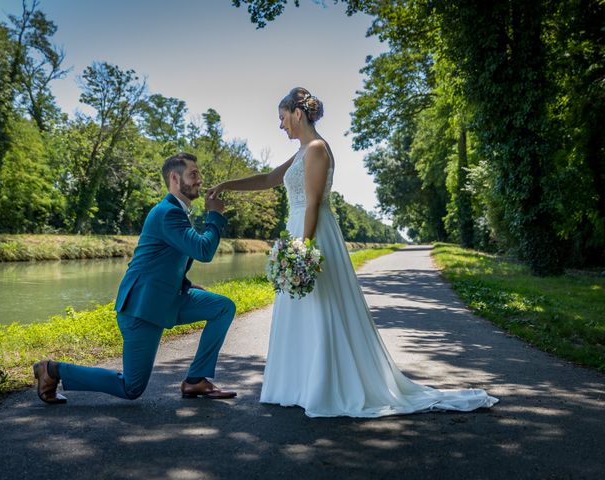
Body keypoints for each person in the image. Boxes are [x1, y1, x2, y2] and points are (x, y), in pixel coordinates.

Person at [207, 87, 498, 417]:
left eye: (282, 117)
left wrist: (302, 248)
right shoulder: (303, 151)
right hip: (297, 230)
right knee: (303, 307)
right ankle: (299, 385)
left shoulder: (317, 149)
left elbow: (314, 203)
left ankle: (326, 386)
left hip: (312, 233)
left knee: (322, 307)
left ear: (297, 114)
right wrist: (227, 185)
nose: (280, 125)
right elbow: (271, 178)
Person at [33, 152, 237, 404]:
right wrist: (215, 216)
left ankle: (196, 380)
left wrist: (183, 283)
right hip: (142, 309)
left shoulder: (177, 212)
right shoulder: (168, 213)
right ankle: (52, 370)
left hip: (167, 298)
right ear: (174, 177)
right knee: (131, 388)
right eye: (193, 174)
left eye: (199, 174)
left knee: (222, 307)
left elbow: (157, 261)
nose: (199, 180)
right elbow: (204, 251)